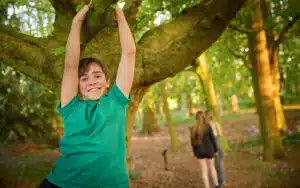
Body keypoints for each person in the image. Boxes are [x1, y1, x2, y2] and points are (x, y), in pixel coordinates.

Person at [39, 0, 136, 187]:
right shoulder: (71, 107)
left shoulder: (116, 101)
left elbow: (129, 53)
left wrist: (119, 14)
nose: (91, 80)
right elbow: (70, 65)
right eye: (84, 78)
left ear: (108, 82)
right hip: (64, 183)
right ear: (78, 85)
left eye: (97, 75)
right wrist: (77, 21)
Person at [190, 110, 219, 188]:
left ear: (196, 118)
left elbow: (193, 144)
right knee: (212, 168)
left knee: (204, 171)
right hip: (209, 150)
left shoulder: (193, 129)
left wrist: (195, 153)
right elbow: (213, 139)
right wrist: (216, 150)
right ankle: (216, 185)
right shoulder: (208, 126)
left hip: (199, 152)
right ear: (203, 117)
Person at [206, 110, 227, 187]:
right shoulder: (215, 124)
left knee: (212, 165)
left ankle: (216, 181)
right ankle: (221, 181)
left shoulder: (205, 125)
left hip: (209, 145)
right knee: (218, 163)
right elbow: (220, 134)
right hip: (215, 143)